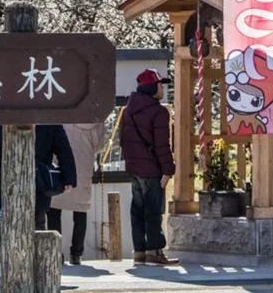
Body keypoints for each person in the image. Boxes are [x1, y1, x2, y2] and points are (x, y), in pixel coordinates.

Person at [120, 69, 179, 266]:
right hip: (153, 170)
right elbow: (162, 145)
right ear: (152, 87)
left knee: (137, 210)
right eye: (160, 84)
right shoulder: (159, 112)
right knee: (154, 211)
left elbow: (123, 141)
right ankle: (154, 251)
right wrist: (168, 170)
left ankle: (139, 251)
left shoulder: (127, 110)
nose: (163, 88)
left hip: (134, 169)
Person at [0, 125, 78, 230]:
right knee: (37, 223)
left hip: (11, 182)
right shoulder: (49, 119)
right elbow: (63, 149)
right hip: (39, 181)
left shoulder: (8, 117)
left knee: (10, 225)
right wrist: (68, 178)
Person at [48, 123, 107, 265]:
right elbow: (99, 146)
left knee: (54, 210)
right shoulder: (97, 120)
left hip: (62, 167)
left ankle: (56, 252)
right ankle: (76, 253)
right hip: (84, 167)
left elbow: (54, 141)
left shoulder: (64, 115)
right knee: (80, 211)